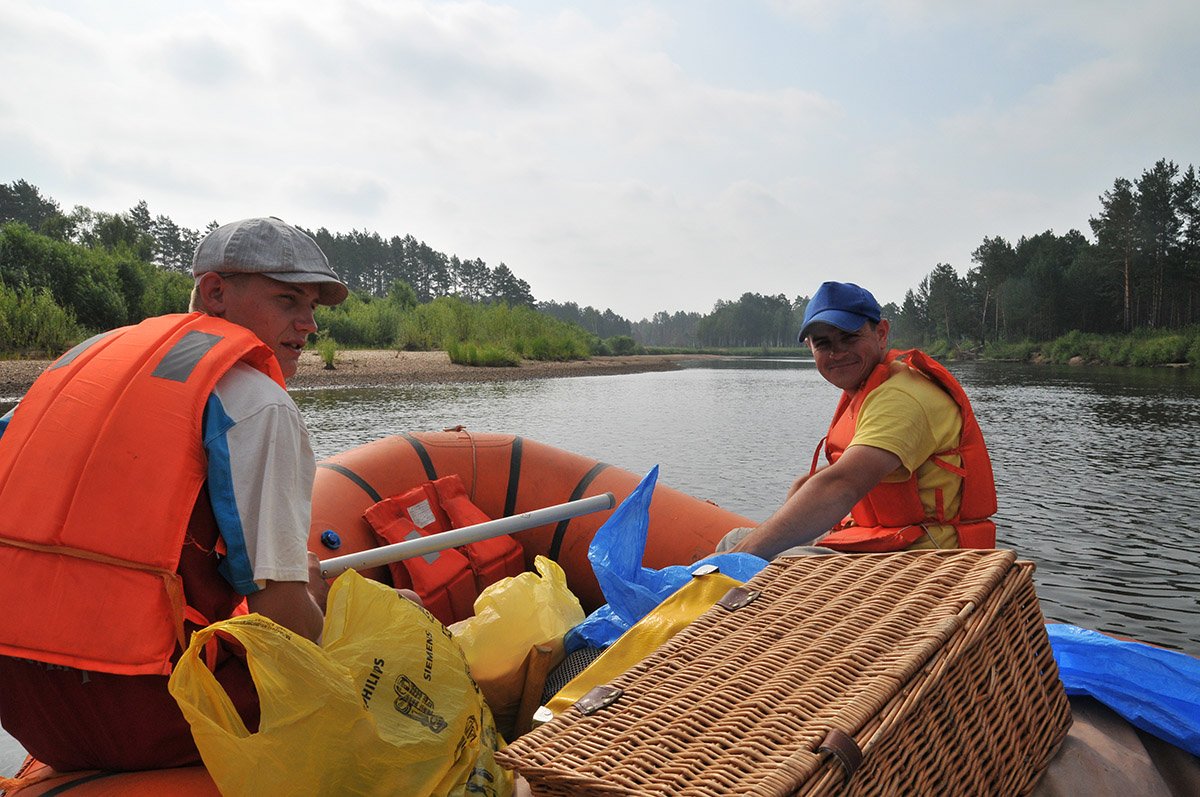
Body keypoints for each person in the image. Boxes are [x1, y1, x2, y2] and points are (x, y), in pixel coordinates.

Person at [0, 217, 349, 771]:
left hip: (24, 707)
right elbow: (279, 615)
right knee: (359, 628)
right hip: (149, 710)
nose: (308, 324)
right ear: (214, 292)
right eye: (288, 300)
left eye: (313, 307)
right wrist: (356, 652)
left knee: (298, 574)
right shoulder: (259, 405)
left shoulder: (81, 365)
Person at [722, 281, 997, 560]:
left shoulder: (903, 397)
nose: (837, 352)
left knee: (769, 559)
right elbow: (841, 478)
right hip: (882, 540)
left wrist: (740, 555)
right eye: (823, 343)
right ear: (810, 347)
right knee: (733, 539)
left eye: (849, 337)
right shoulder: (870, 388)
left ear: (881, 333)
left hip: (924, 557)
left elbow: (842, 485)